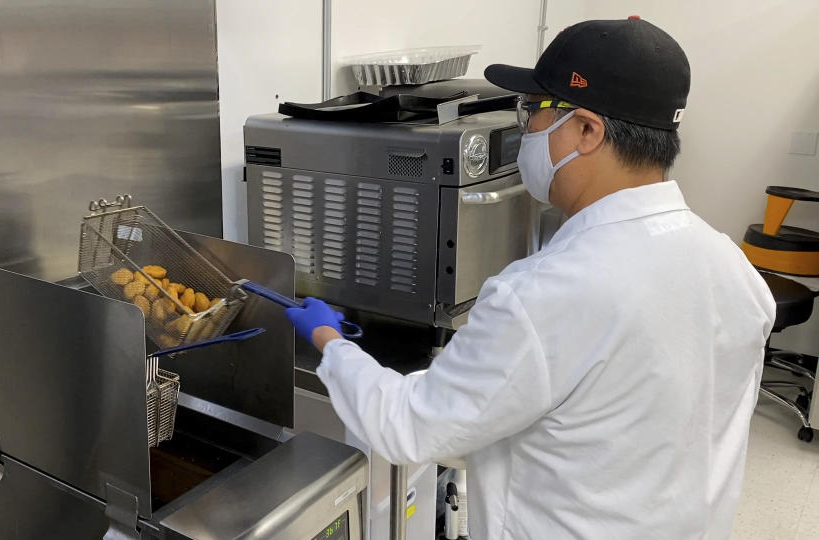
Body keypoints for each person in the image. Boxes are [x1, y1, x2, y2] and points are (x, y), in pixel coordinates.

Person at [284, 17, 776, 540]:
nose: (527, 130)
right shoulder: (735, 270)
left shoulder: (545, 295)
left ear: (587, 130)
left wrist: (329, 342)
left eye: (535, 112)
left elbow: (408, 426)